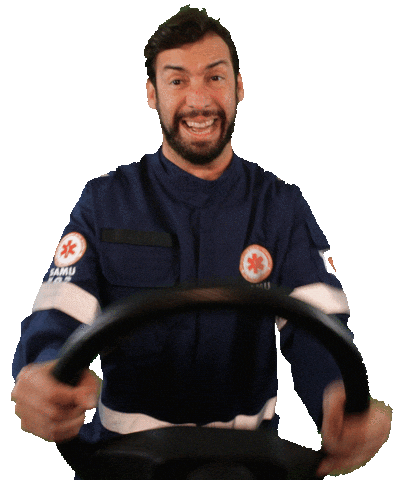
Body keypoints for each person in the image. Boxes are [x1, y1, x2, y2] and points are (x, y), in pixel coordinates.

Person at [11, 7, 391, 478]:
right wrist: (41, 370)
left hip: (249, 461)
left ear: (238, 88)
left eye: (215, 77)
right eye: (177, 80)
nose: (198, 99)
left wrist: (340, 398)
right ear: (152, 94)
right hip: (120, 459)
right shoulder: (105, 201)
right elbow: (59, 310)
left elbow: (317, 326)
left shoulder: (281, 206)